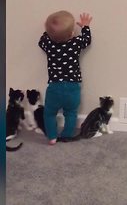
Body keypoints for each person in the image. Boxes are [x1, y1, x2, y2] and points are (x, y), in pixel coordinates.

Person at [38, 11, 93, 145]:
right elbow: (87, 40)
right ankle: (67, 135)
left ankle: (52, 136)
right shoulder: (76, 43)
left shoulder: (49, 44)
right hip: (72, 88)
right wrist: (85, 26)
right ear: (71, 34)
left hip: (54, 88)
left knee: (49, 113)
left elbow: (41, 41)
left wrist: (48, 31)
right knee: (71, 113)